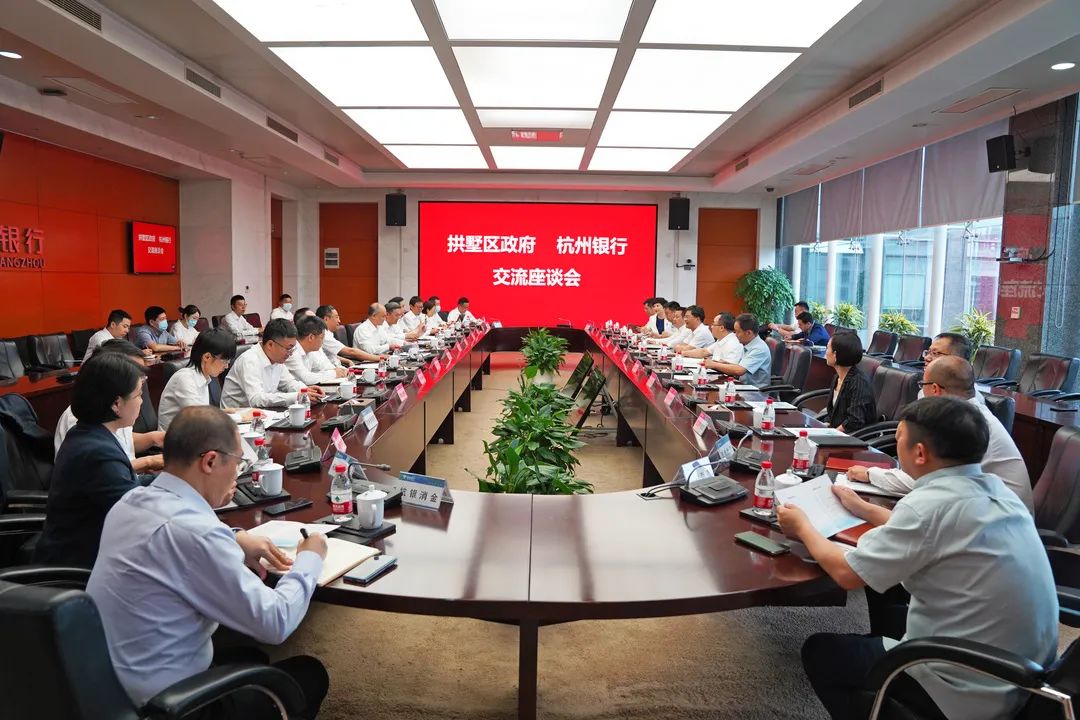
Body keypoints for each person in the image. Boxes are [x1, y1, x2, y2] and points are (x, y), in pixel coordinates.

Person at [778, 397, 1057, 720]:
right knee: (892, 608)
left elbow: (846, 573)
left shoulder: (927, 506)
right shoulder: (996, 491)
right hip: (1024, 673)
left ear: (920, 453)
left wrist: (803, 527)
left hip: (969, 682)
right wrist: (863, 508)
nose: (896, 444)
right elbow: (935, 531)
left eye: (899, 437)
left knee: (821, 653)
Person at [87, 406, 329, 718]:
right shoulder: (196, 535)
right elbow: (276, 621)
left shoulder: (129, 502)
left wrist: (235, 537)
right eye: (238, 462)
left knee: (250, 656)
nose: (238, 473)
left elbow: (178, 536)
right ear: (210, 461)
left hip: (109, 685)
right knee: (309, 674)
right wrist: (310, 557)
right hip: (169, 706)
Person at [847, 356, 1032, 512]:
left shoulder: (961, 424)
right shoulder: (969, 413)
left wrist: (870, 475)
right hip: (984, 510)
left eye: (923, 385)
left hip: (989, 517)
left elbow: (922, 480)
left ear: (935, 389)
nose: (921, 392)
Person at [36, 352, 149, 567]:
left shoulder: (90, 433)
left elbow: (128, 485)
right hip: (79, 568)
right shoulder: (97, 453)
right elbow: (139, 514)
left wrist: (176, 477)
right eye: (139, 395)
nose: (142, 401)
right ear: (116, 404)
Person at [55, 340, 164, 474]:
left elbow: (124, 442)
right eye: (135, 372)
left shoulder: (113, 410)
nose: (140, 380)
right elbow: (101, 470)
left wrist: (153, 438)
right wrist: (148, 462)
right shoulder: (82, 418)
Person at [221, 319, 322, 408]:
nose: (291, 353)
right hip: (236, 418)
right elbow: (256, 399)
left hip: (262, 414)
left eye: (293, 348)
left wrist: (305, 390)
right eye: (288, 348)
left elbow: (289, 383)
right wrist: (296, 396)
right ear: (270, 345)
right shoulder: (249, 360)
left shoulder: (277, 358)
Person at [158, 329, 237, 432]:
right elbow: (201, 421)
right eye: (225, 361)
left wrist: (226, 413)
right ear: (207, 357)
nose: (226, 366)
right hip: (174, 440)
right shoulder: (185, 379)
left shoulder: (203, 377)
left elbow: (203, 414)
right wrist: (240, 417)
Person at [821, 331, 876, 433]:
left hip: (854, 437)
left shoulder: (859, 382)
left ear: (835, 354)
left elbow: (854, 421)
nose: (826, 351)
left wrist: (831, 434)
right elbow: (833, 413)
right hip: (837, 433)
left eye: (827, 348)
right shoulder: (837, 377)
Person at [706, 313, 773, 388]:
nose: (735, 335)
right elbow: (741, 366)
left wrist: (714, 365)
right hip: (742, 386)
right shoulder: (748, 344)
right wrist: (724, 363)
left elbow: (739, 370)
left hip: (754, 390)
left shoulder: (759, 348)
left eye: (738, 332)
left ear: (748, 333)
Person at [286, 315, 349, 386]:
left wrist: (340, 370)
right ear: (311, 337)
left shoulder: (310, 350)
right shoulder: (292, 351)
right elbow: (306, 379)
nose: (322, 341)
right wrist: (334, 373)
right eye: (321, 338)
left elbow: (325, 367)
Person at [314, 305, 382, 365]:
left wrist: (347, 361)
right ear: (326, 319)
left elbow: (331, 355)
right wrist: (380, 358)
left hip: (339, 366)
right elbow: (351, 351)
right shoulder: (324, 335)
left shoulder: (328, 333)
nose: (339, 321)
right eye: (336, 317)